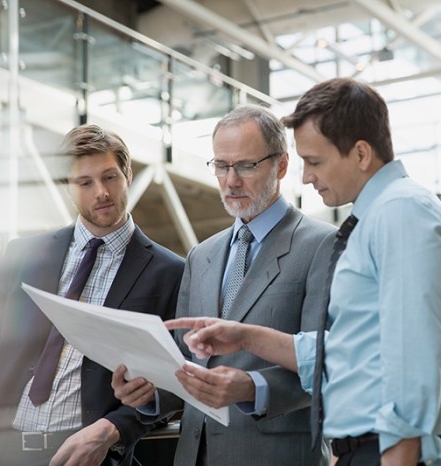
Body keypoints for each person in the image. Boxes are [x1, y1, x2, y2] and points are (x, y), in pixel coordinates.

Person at [166, 78, 441, 466]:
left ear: (361, 154)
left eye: (314, 161)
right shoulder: (378, 217)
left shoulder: (401, 213)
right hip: (370, 448)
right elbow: (347, 353)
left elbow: (412, 359)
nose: (307, 176)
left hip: (395, 450)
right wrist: (245, 337)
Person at [112, 104, 334, 466]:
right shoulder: (202, 255)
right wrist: (150, 391)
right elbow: (184, 363)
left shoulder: (322, 245)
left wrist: (254, 388)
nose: (231, 181)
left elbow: (329, 363)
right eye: (221, 165)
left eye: (246, 166)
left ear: (280, 165)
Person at [0, 124, 185, 466]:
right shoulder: (24, 255)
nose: (101, 192)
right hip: (0, 450)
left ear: (128, 174)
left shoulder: (170, 272)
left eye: (110, 177)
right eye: (84, 183)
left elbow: (177, 380)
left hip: (88, 454)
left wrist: (113, 428)